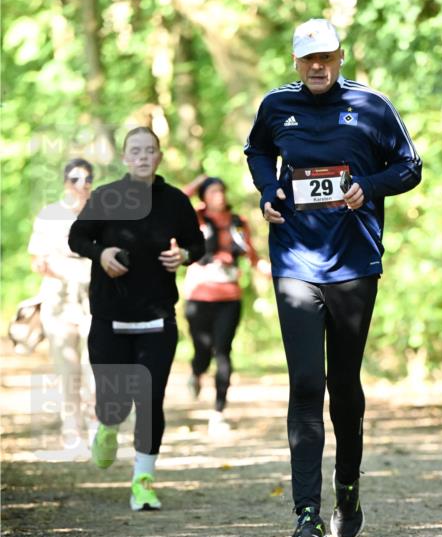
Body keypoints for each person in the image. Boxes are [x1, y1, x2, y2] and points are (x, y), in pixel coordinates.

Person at [244, 18, 422, 537]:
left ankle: (347, 488)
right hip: (295, 263)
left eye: (326, 57)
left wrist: (366, 187)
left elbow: (410, 167)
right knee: (304, 385)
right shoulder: (277, 106)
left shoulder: (372, 106)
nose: (317, 66)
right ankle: (306, 516)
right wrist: (268, 189)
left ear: (341, 57)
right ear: (296, 63)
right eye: (308, 59)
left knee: (342, 385)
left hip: (353, 266)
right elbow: (256, 151)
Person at [69, 127, 205, 510]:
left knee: (149, 401)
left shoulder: (175, 201)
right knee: (115, 403)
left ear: (159, 156)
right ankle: (107, 425)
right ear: (126, 158)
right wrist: (102, 253)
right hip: (110, 316)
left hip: (158, 318)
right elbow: (76, 238)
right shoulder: (107, 196)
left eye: (150, 150)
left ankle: (143, 481)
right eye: (136, 151)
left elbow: (198, 243)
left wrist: (185, 257)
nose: (143, 156)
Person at [181, 174, 270, 434]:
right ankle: (196, 373)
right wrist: (199, 180)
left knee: (223, 352)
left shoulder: (238, 222)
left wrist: (274, 271)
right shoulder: (195, 217)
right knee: (202, 351)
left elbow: (253, 258)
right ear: (204, 197)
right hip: (198, 297)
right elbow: (176, 201)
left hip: (229, 298)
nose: (219, 195)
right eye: (213, 192)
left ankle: (218, 412)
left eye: (222, 190)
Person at [28, 158, 96, 455]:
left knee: (95, 367)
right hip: (58, 299)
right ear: (66, 183)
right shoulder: (49, 215)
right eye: (75, 180)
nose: (81, 185)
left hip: (95, 299)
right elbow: (36, 258)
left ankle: (97, 425)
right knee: (68, 369)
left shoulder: (100, 214)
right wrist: (43, 264)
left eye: (86, 179)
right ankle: (72, 429)